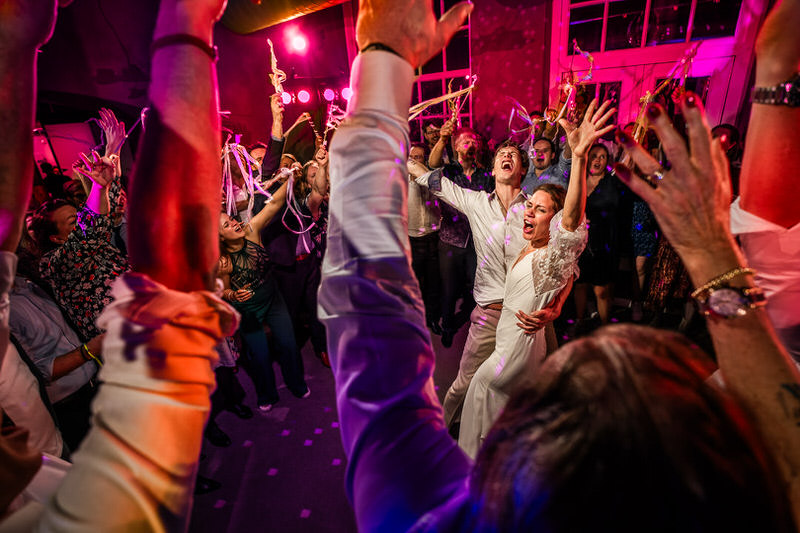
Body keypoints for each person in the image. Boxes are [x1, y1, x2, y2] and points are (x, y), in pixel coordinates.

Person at [319, 0, 798, 530]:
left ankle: (470, 426)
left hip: (511, 328)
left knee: (479, 386)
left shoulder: (424, 515)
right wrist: (777, 72)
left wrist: (383, 59)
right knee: (469, 385)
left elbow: (368, 317)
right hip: (496, 317)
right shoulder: (484, 204)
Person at [0, 0, 241, 529]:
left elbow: (99, 220)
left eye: (73, 219)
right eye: (65, 222)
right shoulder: (57, 262)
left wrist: (104, 186)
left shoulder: (84, 238)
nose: (75, 225)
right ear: (50, 237)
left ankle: (197, 447)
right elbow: (87, 226)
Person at [458, 100, 614, 458]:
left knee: (486, 395)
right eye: (530, 206)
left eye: (540, 210)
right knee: (503, 412)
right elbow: (569, 272)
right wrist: (558, 302)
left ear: (555, 222)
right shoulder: (530, 247)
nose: (528, 211)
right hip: (513, 346)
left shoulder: (549, 253)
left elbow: (572, 223)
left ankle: (490, 471)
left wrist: (578, 155)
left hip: (513, 356)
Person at [218, 175, 310, 411]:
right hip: (248, 312)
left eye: (231, 220)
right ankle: (266, 394)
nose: (235, 224)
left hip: (273, 298)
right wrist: (233, 296)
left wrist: (290, 178)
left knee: (289, 345)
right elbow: (225, 290)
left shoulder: (251, 230)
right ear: (219, 236)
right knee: (259, 356)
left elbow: (275, 204)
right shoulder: (222, 260)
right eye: (227, 225)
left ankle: (297, 384)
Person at [426, 125, 494, 347]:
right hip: (450, 241)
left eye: (474, 142)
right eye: (465, 141)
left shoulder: (485, 175)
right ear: (456, 147)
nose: (470, 145)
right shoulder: (449, 172)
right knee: (449, 288)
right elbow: (432, 164)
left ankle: (478, 325)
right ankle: (447, 326)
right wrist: (444, 137)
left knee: (476, 286)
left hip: (476, 242)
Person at [573, 143, 622, 328]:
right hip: (580, 241)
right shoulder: (578, 180)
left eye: (602, 157)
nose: (598, 160)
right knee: (580, 284)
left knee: (602, 290)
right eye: (594, 155)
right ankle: (578, 322)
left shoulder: (612, 181)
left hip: (604, 240)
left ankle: (604, 327)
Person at [408, 143, 442, 334]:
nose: (414, 161)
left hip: (433, 237)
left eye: (418, 157)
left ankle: (432, 319)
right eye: (411, 157)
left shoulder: (433, 178)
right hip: (412, 239)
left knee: (434, 283)